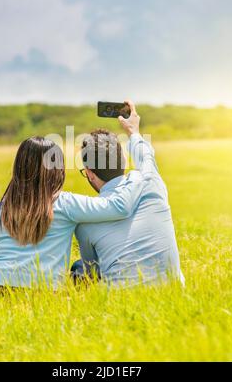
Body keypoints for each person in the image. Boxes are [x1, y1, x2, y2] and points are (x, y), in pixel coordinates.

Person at [0, 136, 145, 291]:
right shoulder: (66, 203)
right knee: (79, 267)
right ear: (57, 169)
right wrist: (136, 174)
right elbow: (119, 206)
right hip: (48, 294)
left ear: (18, 168)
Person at [72, 100, 184, 286]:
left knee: (79, 268)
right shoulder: (152, 183)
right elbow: (146, 156)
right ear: (124, 159)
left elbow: (92, 270)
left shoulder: (86, 219)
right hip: (174, 294)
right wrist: (133, 131)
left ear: (90, 173)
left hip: (119, 304)